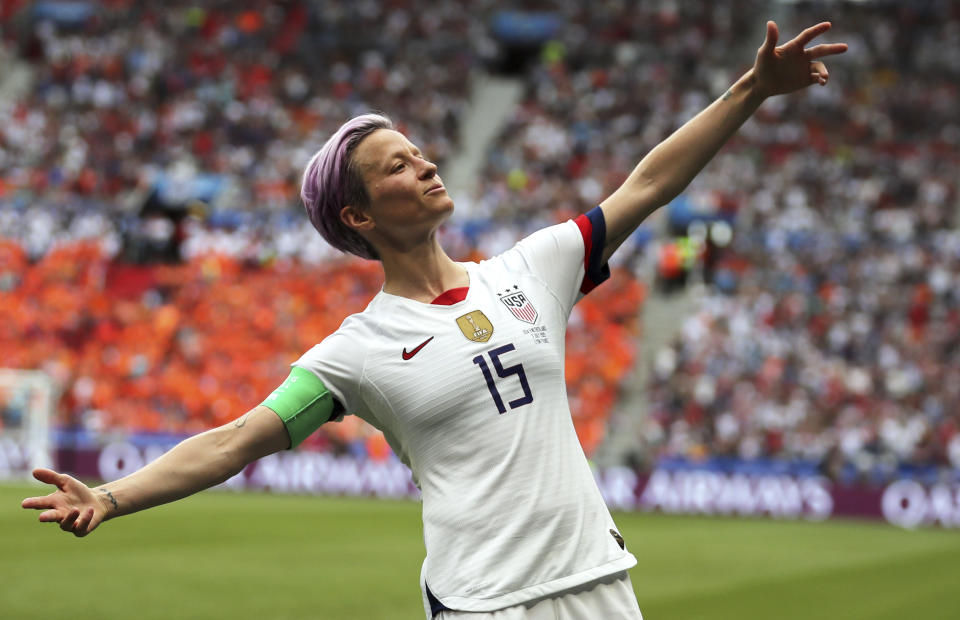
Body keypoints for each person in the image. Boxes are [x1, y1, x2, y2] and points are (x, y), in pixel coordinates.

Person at [23, 21, 846, 619]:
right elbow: (236, 441)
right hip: (485, 605)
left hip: (601, 585)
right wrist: (112, 497)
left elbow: (645, 187)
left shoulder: (535, 270)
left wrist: (750, 91)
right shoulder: (355, 353)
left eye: (419, 153)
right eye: (397, 167)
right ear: (359, 217)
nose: (424, 166)